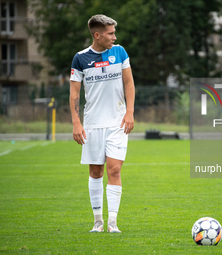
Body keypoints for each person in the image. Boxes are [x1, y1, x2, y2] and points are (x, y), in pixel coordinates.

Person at [69, 14, 135, 233]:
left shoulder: (120, 52)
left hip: (117, 123)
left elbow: (129, 83)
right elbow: (74, 93)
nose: (114, 37)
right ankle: (97, 222)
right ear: (97, 35)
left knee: (114, 170)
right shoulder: (80, 58)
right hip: (93, 125)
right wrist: (76, 123)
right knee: (96, 172)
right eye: (110, 33)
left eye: (114, 32)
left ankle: (112, 223)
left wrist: (130, 112)